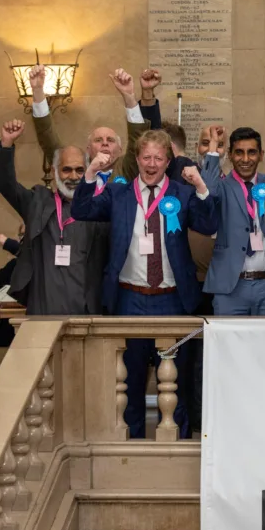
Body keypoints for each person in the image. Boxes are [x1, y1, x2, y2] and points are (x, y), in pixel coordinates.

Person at [71, 129, 218, 439]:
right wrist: (91, 172)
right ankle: (132, 444)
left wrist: (201, 185)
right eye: (147, 157)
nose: (152, 164)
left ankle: (177, 445)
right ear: (136, 159)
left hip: (173, 299)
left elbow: (209, 224)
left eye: (159, 158)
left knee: (176, 377)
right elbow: (81, 210)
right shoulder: (119, 194)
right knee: (132, 379)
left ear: (168, 162)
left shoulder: (181, 193)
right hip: (129, 298)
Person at [0, 119, 109, 315]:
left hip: (88, 310)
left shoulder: (99, 207)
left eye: (80, 170)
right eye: (66, 169)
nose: (73, 177)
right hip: (44, 307)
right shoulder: (38, 202)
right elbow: (6, 184)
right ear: (55, 172)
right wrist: (6, 144)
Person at [201, 126, 265, 315]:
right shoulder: (222, 187)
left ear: (262, 155)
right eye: (239, 152)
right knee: (229, 344)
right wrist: (213, 146)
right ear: (230, 155)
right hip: (230, 286)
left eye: (252, 152)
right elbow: (207, 189)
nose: (246, 159)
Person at [29, 65, 148, 187]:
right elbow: (48, 139)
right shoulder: (77, 169)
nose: (105, 143)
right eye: (98, 140)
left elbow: (138, 139)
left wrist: (129, 97)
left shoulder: (126, 168)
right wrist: (37, 91)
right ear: (88, 149)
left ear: (120, 150)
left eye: (111, 140)